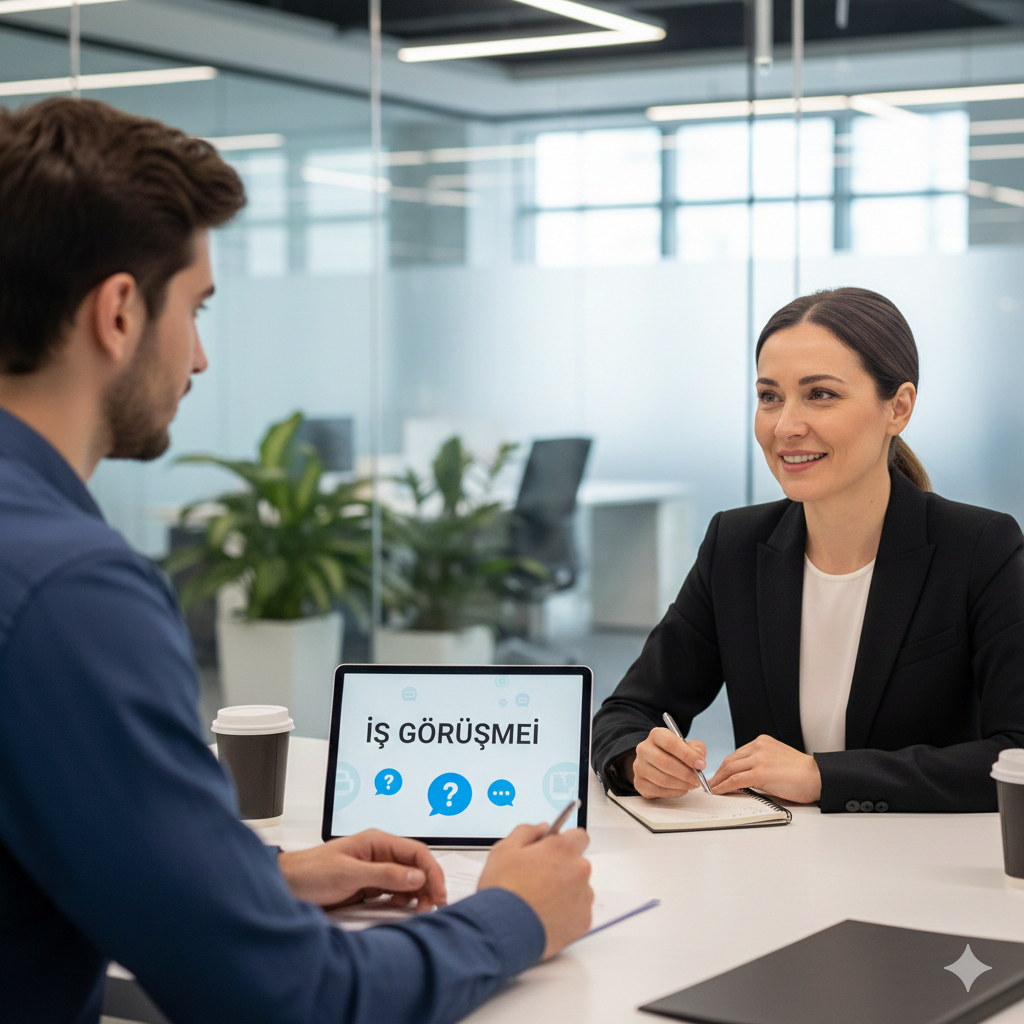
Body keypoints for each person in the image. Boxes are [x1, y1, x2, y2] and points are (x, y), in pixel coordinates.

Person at [0, 97, 592, 1024]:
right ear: (118, 312)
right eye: (194, 309)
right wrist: (512, 914)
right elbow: (294, 998)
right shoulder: (70, 591)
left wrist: (257, 877)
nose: (198, 358)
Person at [592, 287, 1024, 814]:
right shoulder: (736, 546)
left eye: (820, 394)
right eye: (770, 396)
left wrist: (824, 776)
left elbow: (1015, 752)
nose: (785, 426)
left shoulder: (979, 548)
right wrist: (638, 759)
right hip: (778, 870)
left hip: (924, 871)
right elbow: (626, 712)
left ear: (899, 407)